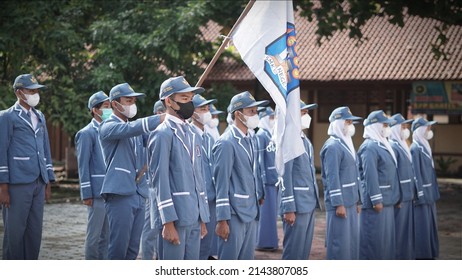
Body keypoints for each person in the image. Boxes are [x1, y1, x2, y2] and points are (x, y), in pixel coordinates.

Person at [148, 76, 209, 260]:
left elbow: (199, 177)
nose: (189, 103)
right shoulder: (161, 134)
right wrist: (167, 222)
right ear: (169, 101)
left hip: (194, 216)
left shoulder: (193, 133)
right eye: (184, 99)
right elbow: (160, 181)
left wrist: (203, 217)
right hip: (175, 216)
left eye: (190, 99)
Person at [99, 82, 163, 260]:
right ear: (114, 104)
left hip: (138, 193)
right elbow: (132, 128)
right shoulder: (108, 126)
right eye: (128, 100)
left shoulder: (132, 127)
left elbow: (152, 137)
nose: (132, 104)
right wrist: (160, 118)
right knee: (118, 248)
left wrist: (172, 119)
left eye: (133, 100)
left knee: (133, 250)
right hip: (120, 193)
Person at [0, 74, 55, 259]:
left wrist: (48, 181)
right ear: (19, 92)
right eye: (31, 91)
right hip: (17, 183)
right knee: (14, 236)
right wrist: (3, 186)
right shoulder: (6, 117)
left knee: (34, 234)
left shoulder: (40, 116)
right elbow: (2, 151)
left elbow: (45, 148)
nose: (35, 94)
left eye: (36, 90)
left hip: (38, 182)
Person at [212, 91, 268, 260]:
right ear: (238, 114)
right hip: (234, 213)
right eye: (251, 111)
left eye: (256, 111)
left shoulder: (251, 139)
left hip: (250, 210)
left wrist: (259, 193)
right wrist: (222, 219)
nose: (255, 115)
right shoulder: (226, 143)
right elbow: (220, 183)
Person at [320, 106, 362, 260]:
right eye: (348, 121)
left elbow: (354, 174)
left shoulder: (346, 143)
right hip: (341, 204)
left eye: (351, 122)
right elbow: (332, 177)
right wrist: (338, 203)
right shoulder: (332, 146)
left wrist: (358, 200)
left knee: (350, 243)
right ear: (338, 123)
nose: (350, 125)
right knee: (339, 244)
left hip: (350, 201)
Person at [280, 101, 321, 260]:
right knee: (294, 252)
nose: (307, 116)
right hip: (296, 205)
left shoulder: (305, 140)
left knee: (303, 252)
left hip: (308, 203)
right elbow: (285, 174)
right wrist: (289, 207)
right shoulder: (289, 139)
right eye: (303, 113)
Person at [357, 110, 399, 260]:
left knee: (385, 242)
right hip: (377, 203)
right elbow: (370, 175)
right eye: (385, 124)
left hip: (387, 199)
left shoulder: (383, 144)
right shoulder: (369, 147)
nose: (387, 128)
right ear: (375, 126)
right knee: (373, 242)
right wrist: (376, 199)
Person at [75, 91, 111, 260]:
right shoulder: (86, 133)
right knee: (94, 236)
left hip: (112, 191)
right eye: (106, 107)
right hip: (96, 192)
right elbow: (83, 165)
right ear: (95, 110)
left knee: (107, 237)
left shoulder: (111, 130)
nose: (109, 110)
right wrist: (86, 193)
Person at [189, 94, 219, 260]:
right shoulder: (188, 135)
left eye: (208, 109)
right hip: (196, 200)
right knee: (195, 247)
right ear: (193, 113)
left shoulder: (209, 137)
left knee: (206, 246)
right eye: (203, 109)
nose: (207, 112)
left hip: (211, 198)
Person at [140, 99, 166, 260]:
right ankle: (148, 260)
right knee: (150, 229)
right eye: (160, 112)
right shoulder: (148, 133)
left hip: (165, 187)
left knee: (163, 228)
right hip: (151, 187)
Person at [389, 113, 417, 259]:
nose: (406, 129)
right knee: (399, 230)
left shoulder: (403, 144)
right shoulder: (393, 146)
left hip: (408, 195)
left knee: (406, 230)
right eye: (403, 126)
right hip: (400, 197)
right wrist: (397, 196)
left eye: (406, 126)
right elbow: (393, 175)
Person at [411, 117, 439, 259]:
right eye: (427, 128)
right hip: (423, 195)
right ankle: (422, 254)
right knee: (422, 224)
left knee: (430, 223)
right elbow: (416, 173)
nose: (429, 130)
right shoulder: (415, 148)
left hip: (430, 193)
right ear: (420, 130)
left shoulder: (425, 145)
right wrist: (420, 193)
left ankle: (431, 252)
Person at [255, 106, 279, 251]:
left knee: (272, 215)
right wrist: (262, 181)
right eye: (270, 117)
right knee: (266, 215)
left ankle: (271, 241)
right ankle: (264, 242)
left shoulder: (272, 134)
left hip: (274, 180)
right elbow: (259, 161)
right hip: (266, 182)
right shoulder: (261, 135)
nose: (272, 120)